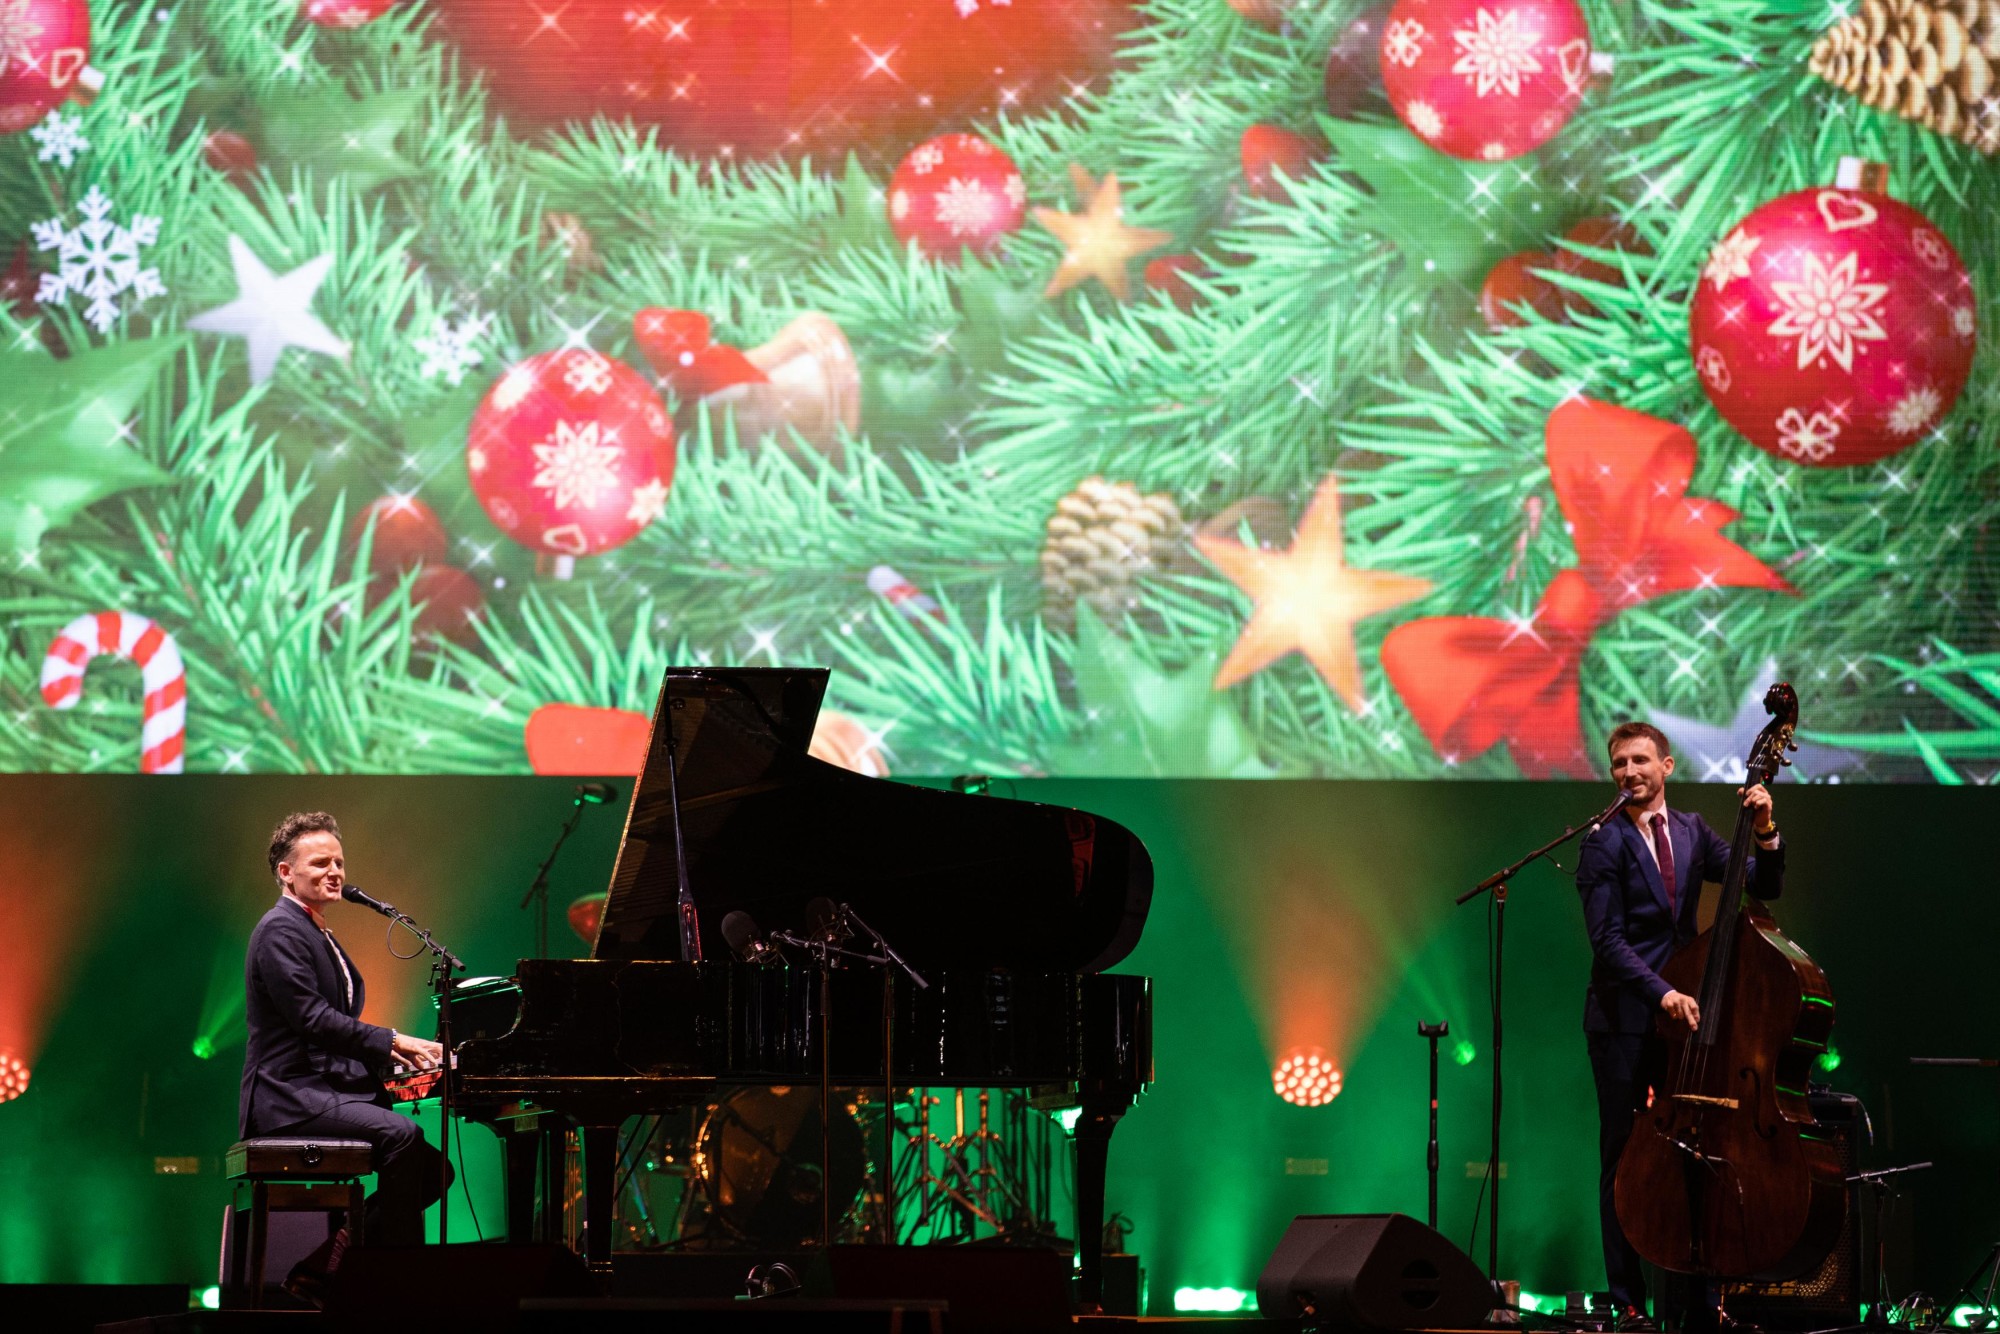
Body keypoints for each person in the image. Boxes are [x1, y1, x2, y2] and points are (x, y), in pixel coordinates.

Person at [1575, 722, 1784, 1332]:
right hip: (1623, 1019)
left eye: (1641, 760)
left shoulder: (1693, 831)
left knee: (1698, 1148)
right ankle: (1625, 1297)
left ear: (1666, 766)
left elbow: (1761, 886)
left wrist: (1766, 829)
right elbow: (1607, 942)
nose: (1629, 772)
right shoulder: (1602, 841)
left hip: (1685, 1019)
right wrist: (1663, 991)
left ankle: (1695, 1291)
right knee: (1621, 1154)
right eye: (1619, 763)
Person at [239, 811, 448, 1297]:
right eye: (319, 863)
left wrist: (395, 1065)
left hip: (322, 1089)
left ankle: (324, 1267)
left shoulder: (316, 931)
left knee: (435, 1170)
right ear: (286, 872)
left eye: (339, 862)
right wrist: (392, 1042)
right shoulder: (279, 931)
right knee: (402, 1136)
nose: (334, 871)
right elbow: (311, 1019)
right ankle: (389, 1288)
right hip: (286, 1095)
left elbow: (331, 1028)